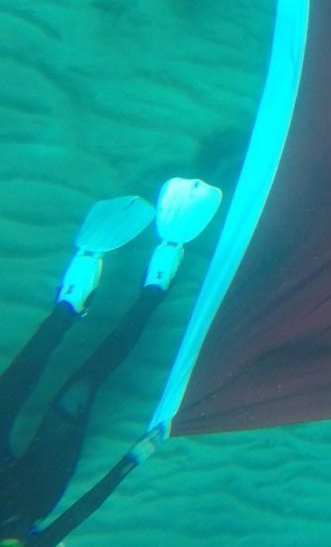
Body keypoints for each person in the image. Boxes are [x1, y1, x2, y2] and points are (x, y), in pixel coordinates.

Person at [0, 178, 222, 547]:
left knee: (22, 374)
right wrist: (132, 459)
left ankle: (68, 306)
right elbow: (81, 511)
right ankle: (154, 289)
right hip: (33, 496)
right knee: (80, 389)